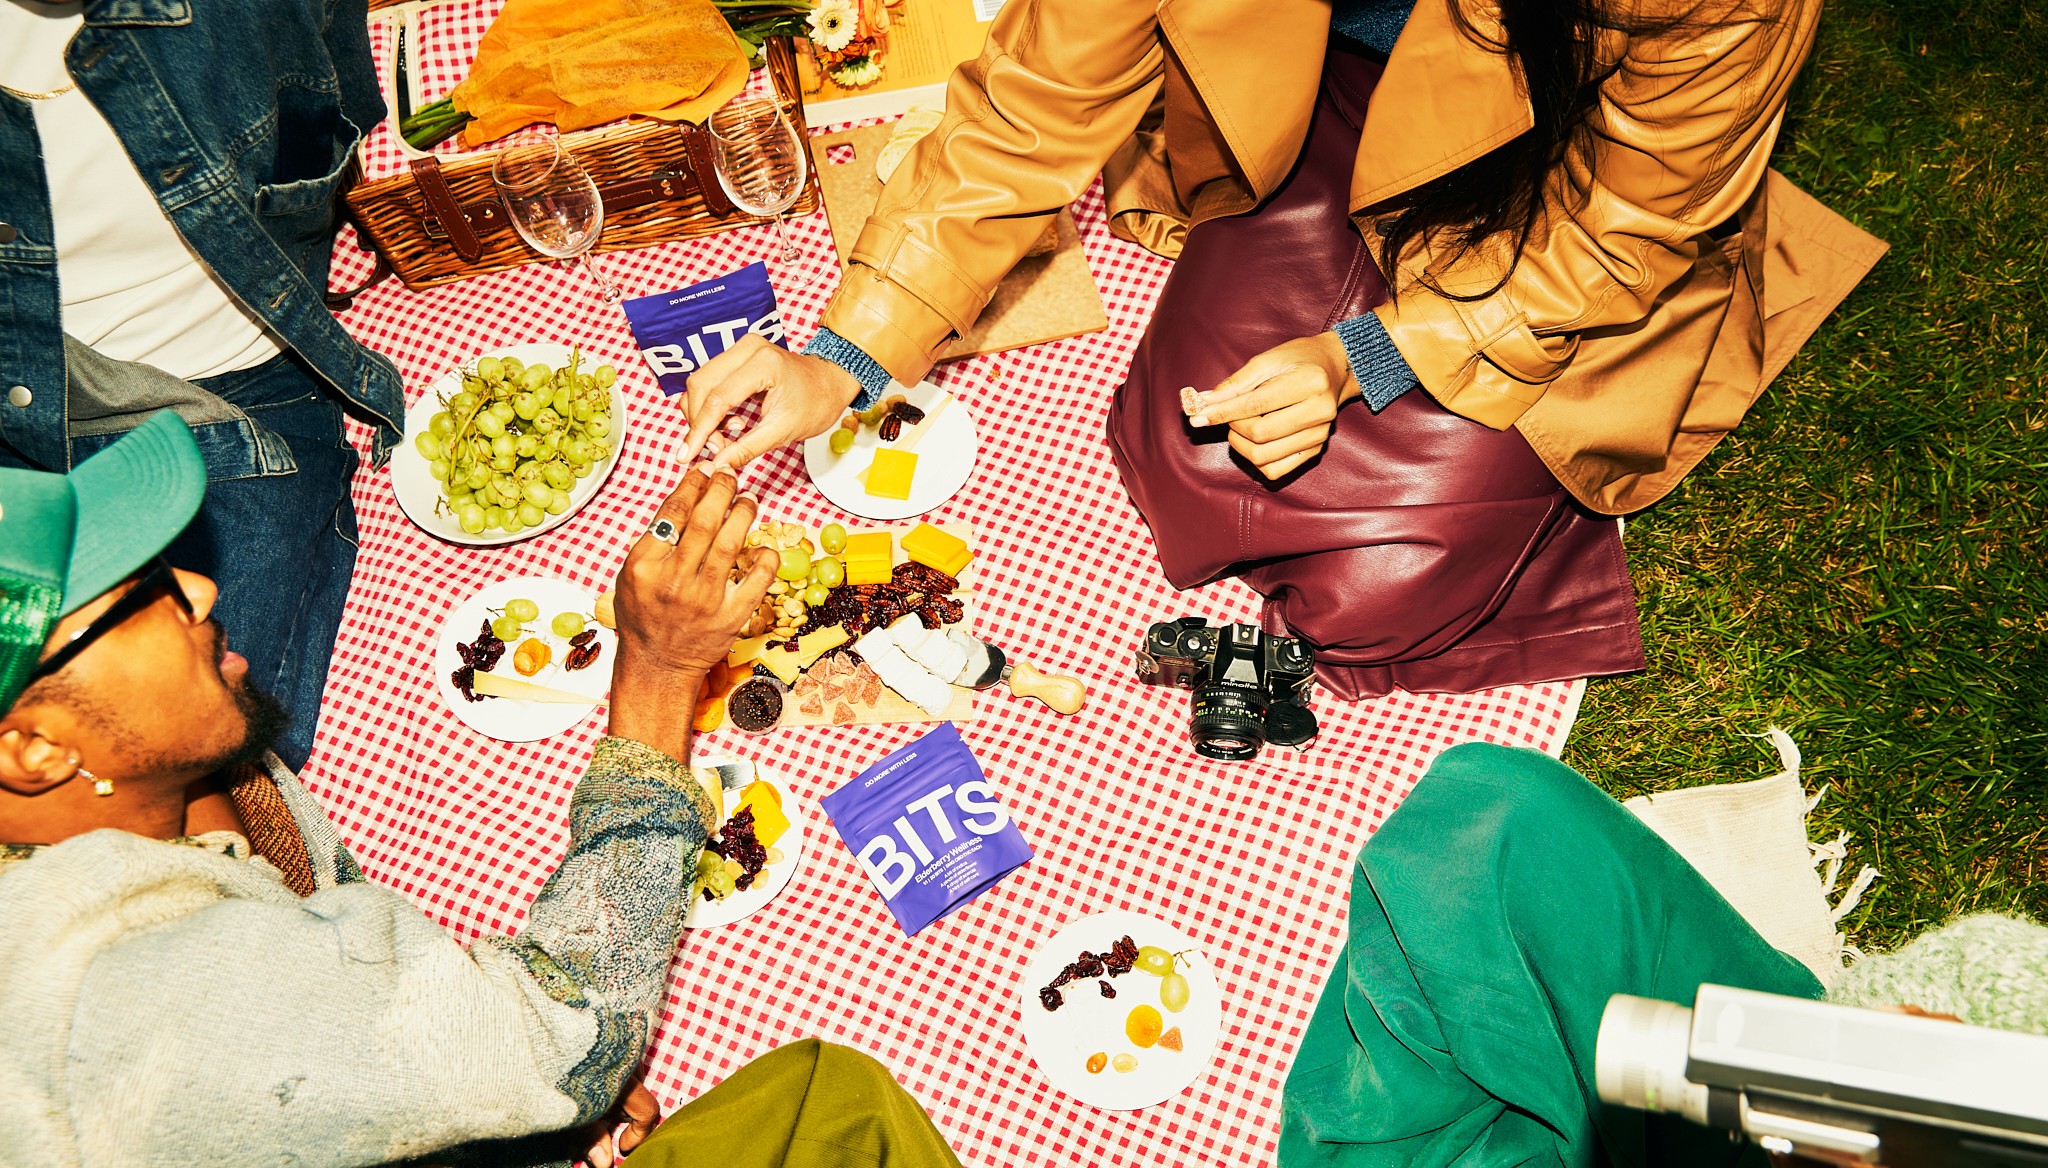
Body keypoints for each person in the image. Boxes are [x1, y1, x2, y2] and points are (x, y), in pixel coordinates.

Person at [0, 414, 1089, 1168]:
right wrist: (657, 678)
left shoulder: (192, 783)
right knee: (832, 1130)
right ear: (35, 750)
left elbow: (328, 1066)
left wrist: (516, 1160)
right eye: (130, 594)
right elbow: (564, 1028)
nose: (196, 584)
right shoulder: (111, 1003)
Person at [675, 0, 1886, 699]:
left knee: (1373, 590)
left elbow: (1623, 226)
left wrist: (1360, 356)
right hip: (1327, 104)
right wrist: (849, 349)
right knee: (1190, 450)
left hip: (1554, 185)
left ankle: (1552, 492)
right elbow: (1032, 107)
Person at [1195, 742, 2047, 1168]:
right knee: (1497, 818)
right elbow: (1992, 980)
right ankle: (1440, 1159)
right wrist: (1958, 1074)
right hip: (1800, 1163)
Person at [0, 0, 407, 770]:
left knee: (187, 742)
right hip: (24, 435)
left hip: (228, 390)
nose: (193, 591)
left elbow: (345, 104)